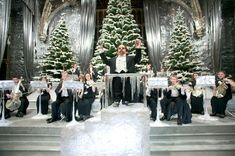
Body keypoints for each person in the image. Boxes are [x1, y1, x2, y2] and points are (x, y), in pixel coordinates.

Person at [100, 39, 142, 106]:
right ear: (117, 51)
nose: (121, 49)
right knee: (116, 88)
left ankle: (126, 100)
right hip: (116, 76)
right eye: (119, 48)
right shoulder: (112, 60)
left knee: (127, 88)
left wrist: (138, 48)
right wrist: (101, 50)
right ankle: (116, 101)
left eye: (123, 48)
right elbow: (105, 61)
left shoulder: (131, 59)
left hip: (128, 75)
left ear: (126, 51)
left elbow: (138, 58)